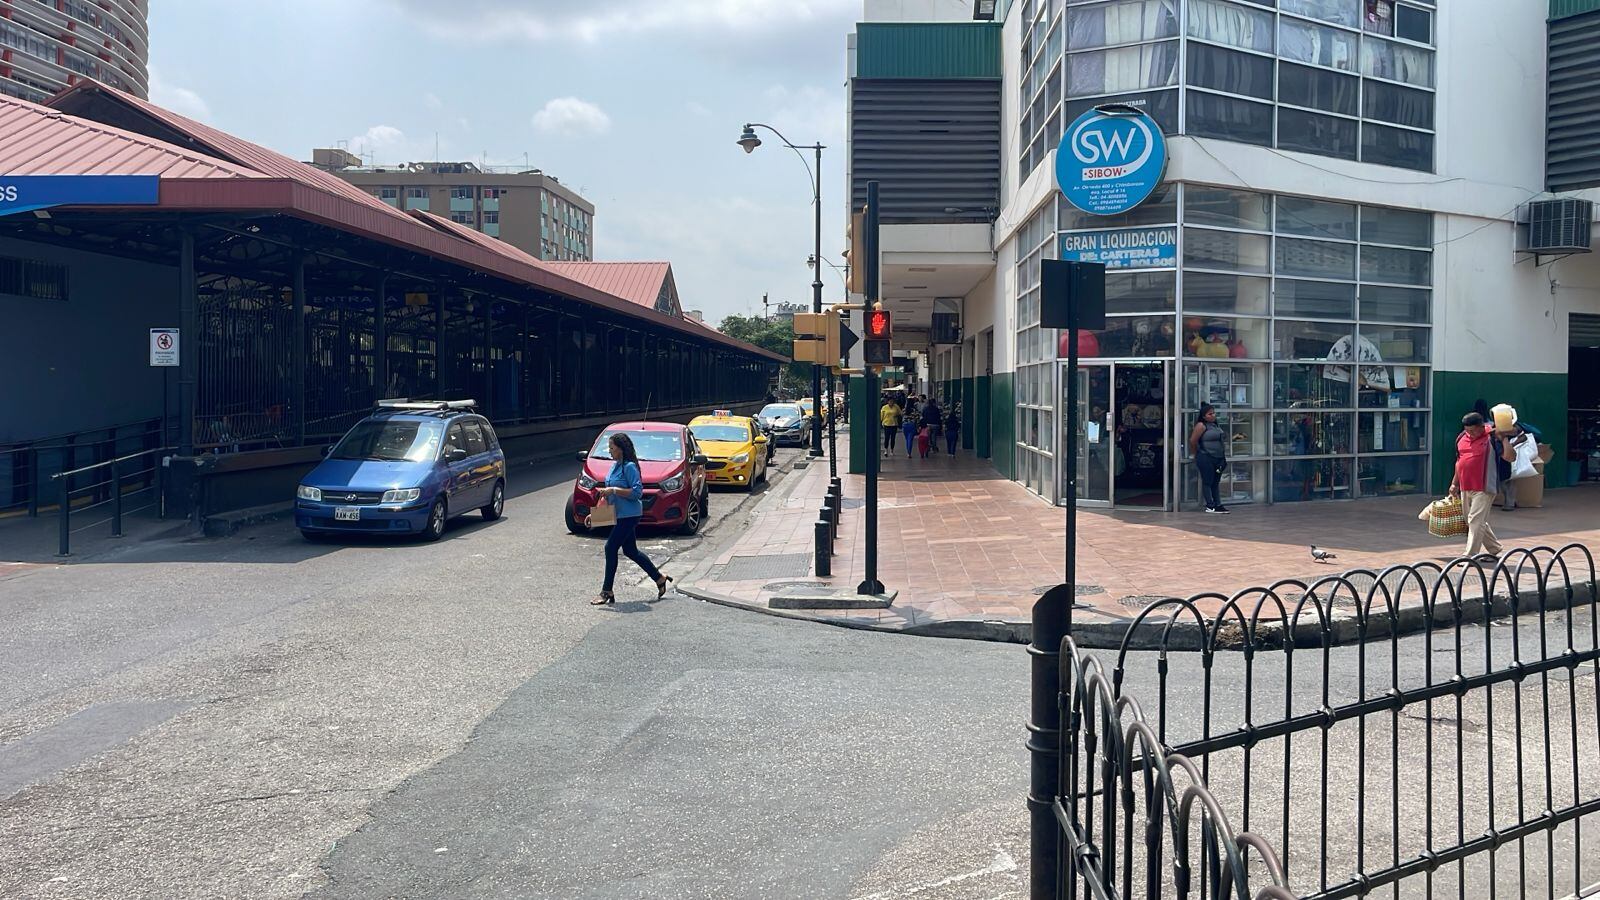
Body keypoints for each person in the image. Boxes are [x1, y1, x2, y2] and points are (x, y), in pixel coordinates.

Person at [591, 433, 671, 606]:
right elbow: (607, 493)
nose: (609, 451)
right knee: (630, 551)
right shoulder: (614, 466)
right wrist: (596, 514)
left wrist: (614, 490)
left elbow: (637, 493)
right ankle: (659, 578)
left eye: (612, 448)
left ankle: (607, 591)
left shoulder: (629, 467)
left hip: (630, 515)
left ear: (620, 449)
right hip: (619, 514)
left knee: (610, 547)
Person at [1449, 411, 1517, 559]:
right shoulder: (1461, 438)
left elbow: (1510, 457)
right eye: (1467, 430)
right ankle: (1495, 549)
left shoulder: (1492, 438)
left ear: (1481, 427)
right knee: (1473, 520)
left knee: (1475, 520)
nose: (1470, 434)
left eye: (1473, 431)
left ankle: (1469, 555)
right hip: (1465, 485)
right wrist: (1454, 483)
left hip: (1485, 486)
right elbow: (1459, 462)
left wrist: (1504, 439)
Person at [1188, 403, 1228, 514]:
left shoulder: (1215, 425)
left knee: (1216, 481)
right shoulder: (1201, 426)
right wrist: (1195, 454)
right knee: (1208, 481)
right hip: (1206, 457)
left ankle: (1218, 504)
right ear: (1204, 416)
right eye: (1210, 414)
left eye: (1214, 413)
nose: (1213, 415)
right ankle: (1210, 505)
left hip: (1218, 458)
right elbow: (1193, 441)